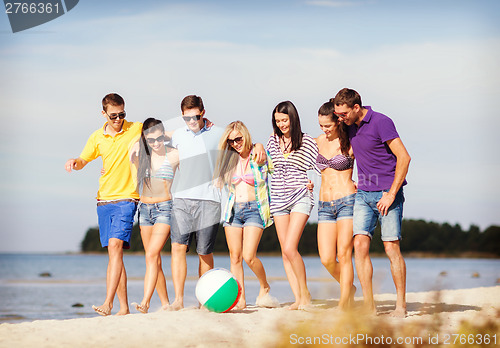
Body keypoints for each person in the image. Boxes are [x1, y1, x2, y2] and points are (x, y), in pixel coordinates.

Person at [168, 95, 267, 310]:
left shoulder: (220, 133)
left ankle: (205, 300)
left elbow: (243, 141)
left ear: (203, 113)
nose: (191, 122)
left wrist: (258, 143)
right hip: (181, 200)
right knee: (177, 248)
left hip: (210, 201)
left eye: (195, 117)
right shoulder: (177, 135)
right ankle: (178, 299)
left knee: (204, 252)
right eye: (186, 118)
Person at [333, 88, 411, 317]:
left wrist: (391, 194)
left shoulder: (381, 122)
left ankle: (400, 306)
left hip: (388, 194)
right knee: (359, 245)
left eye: (343, 114)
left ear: (356, 108)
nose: (340, 118)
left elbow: (404, 157)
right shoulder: (348, 125)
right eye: (338, 114)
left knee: (390, 247)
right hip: (363, 195)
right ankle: (369, 306)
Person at [65, 93, 142, 316]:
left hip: (127, 198)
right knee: (114, 254)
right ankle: (124, 308)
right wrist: (74, 162)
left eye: (122, 114)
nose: (118, 119)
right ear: (104, 114)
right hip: (103, 200)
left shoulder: (135, 128)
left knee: (116, 248)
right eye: (114, 115)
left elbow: (161, 132)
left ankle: (108, 303)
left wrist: (201, 124)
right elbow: (83, 160)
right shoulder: (96, 137)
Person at [214, 121, 279, 310]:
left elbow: (280, 170)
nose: (235, 143)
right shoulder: (229, 160)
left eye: (238, 138)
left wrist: (259, 145)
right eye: (231, 141)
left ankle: (264, 285)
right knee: (235, 257)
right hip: (233, 211)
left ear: (246, 136)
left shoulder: (259, 154)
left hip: (255, 210)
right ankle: (240, 299)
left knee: (249, 256)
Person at [266, 101, 318, 310]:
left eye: (284, 120)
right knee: (285, 252)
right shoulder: (272, 140)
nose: (281, 124)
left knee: (290, 247)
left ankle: (305, 294)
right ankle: (298, 298)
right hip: (278, 199)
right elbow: (265, 163)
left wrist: (314, 181)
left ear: (293, 118)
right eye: (278, 121)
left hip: (300, 196)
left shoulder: (307, 142)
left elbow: (319, 166)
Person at [130, 118, 179, 314]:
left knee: (151, 254)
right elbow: (129, 147)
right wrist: (142, 141)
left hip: (164, 209)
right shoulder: (140, 154)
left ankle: (145, 301)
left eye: (160, 138)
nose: (156, 143)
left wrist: (164, 133)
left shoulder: (173, 154)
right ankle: (165, 303)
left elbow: (184, 136)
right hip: (144, 211)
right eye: (151, 140)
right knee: (153, 259)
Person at [315, 101, 357, 311]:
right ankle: (348, 287)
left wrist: (367, 184)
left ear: (338, 122)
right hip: (324, 205)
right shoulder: (317, 141)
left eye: (328, 126)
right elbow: (289, 145)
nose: (324, 130)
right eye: (321, 125)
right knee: (326, 258)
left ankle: (343, 304)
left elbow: (371, 159)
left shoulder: (351, 141)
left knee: (344, 253)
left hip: (347, 201)